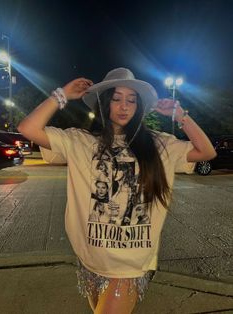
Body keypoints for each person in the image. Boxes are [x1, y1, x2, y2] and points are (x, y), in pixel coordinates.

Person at [18, 67, 216, 314]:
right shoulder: (80, 141)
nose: (124, 106)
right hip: (90, 261)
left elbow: (206, 152)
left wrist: (179, 115)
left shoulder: (158, 143)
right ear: (104, 103)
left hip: (129, 265)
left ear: (139, 106)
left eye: (132, 100)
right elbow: (28, 128)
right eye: (117, 98)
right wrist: (62, 95)